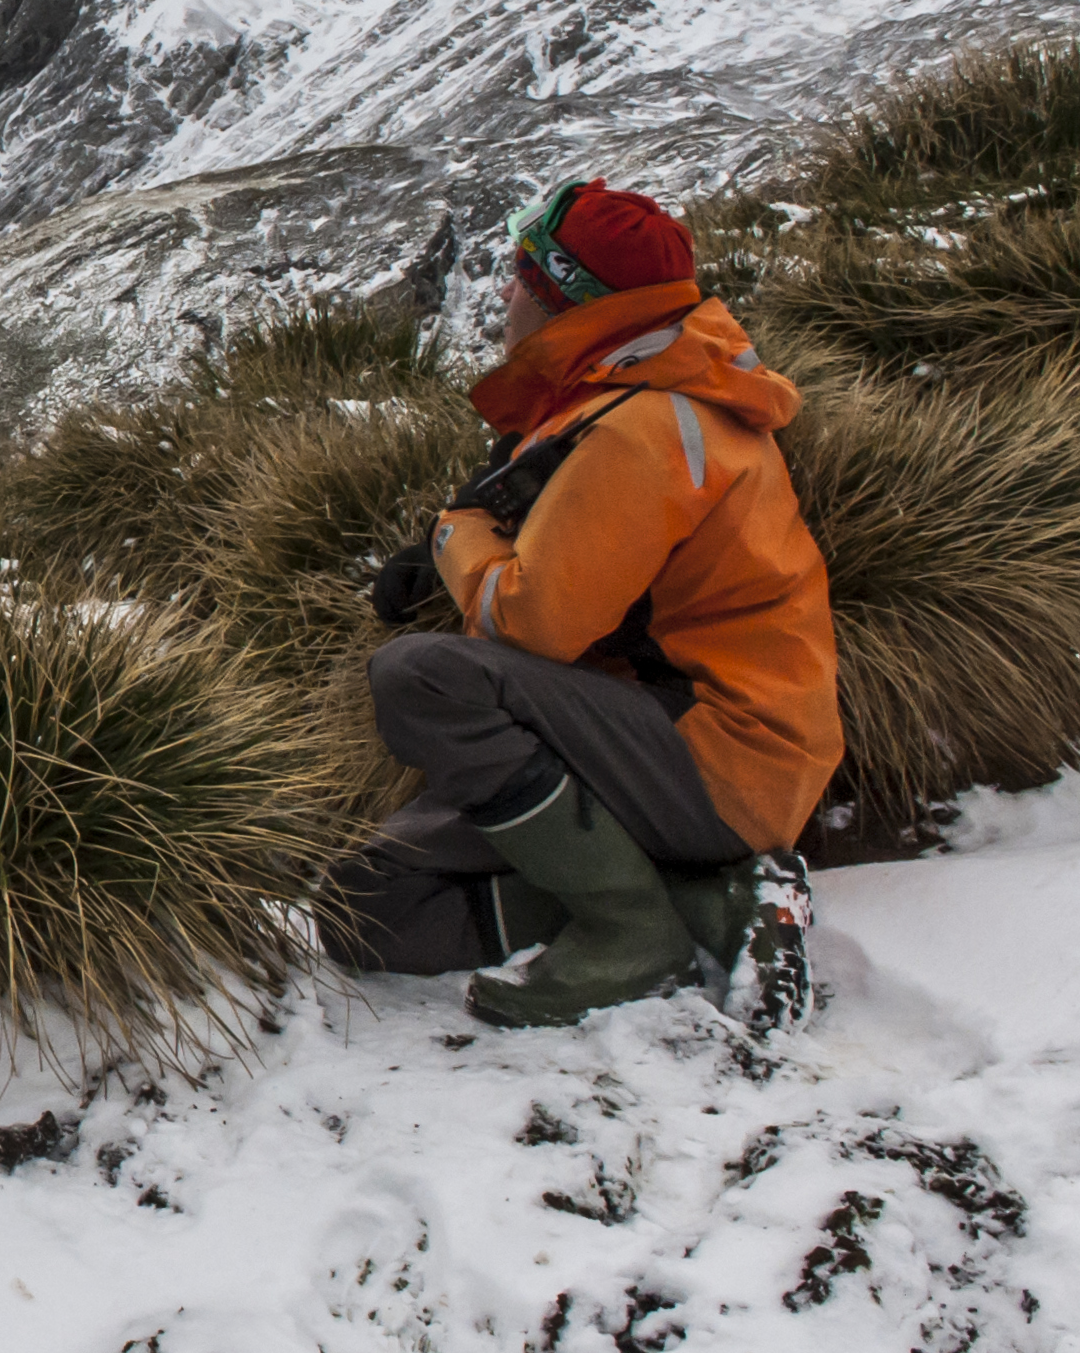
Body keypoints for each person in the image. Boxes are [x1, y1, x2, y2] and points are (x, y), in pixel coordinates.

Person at [335, 182, 838, 1028]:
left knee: (421, 676)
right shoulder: (626, 398)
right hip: (652, 740)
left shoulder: (644, 427)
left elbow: (530, 624)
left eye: (521, 276)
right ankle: (714, 904)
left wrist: (455, 535)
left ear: (564, 297)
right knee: (368, 906)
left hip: (721, 750)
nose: (504, 294)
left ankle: (629, 929)